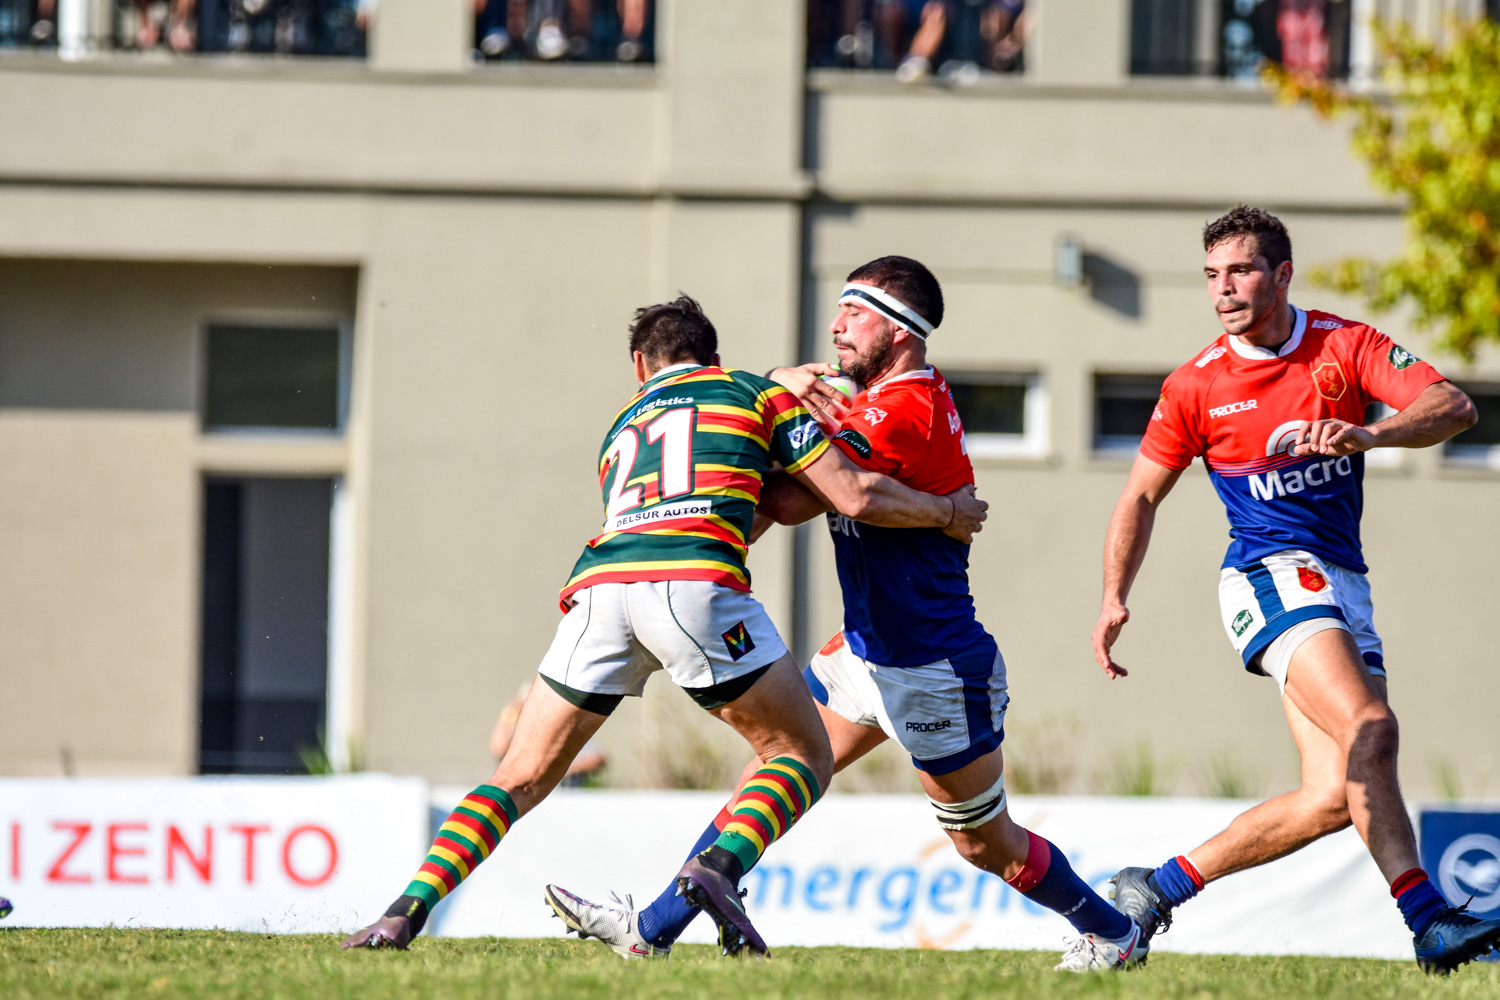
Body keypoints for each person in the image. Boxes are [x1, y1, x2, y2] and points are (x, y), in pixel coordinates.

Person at [545, 257, 1145, 971]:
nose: (834, 328)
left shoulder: (904, 408)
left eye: (852, 315)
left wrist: (770, 406)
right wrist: (779, 393)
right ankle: (651, 931)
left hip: (932, 665)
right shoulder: (871, 400)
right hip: (864, 654)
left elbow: (795, 501)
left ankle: (1115, 930)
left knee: (986, 842)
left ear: (898, 331)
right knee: (776, 771)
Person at [339, 294, 987, 952]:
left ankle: (404, 910)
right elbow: (841, 493)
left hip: (598, 591)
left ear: (639, 366)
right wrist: (945, 511)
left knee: (518, 774)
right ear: (715, 357)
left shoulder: (621, 427)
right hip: (693, 585)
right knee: (802, 754)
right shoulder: (753, 393)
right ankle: (716, 869)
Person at [1093, 206, 1499, 975]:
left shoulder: (1345, 346)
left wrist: (1372, 433)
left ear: (1282, 274)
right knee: (1372, 728)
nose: (1223, 289)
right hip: (1267, 577)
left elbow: (1453, 404)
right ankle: (1429, 923)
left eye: (1240, 271)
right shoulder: (1196, 385)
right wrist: (1115, 596)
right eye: (1212, 275)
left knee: (1328, 795)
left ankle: (1151, 891)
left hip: (1342, 582)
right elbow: (1140, 496)